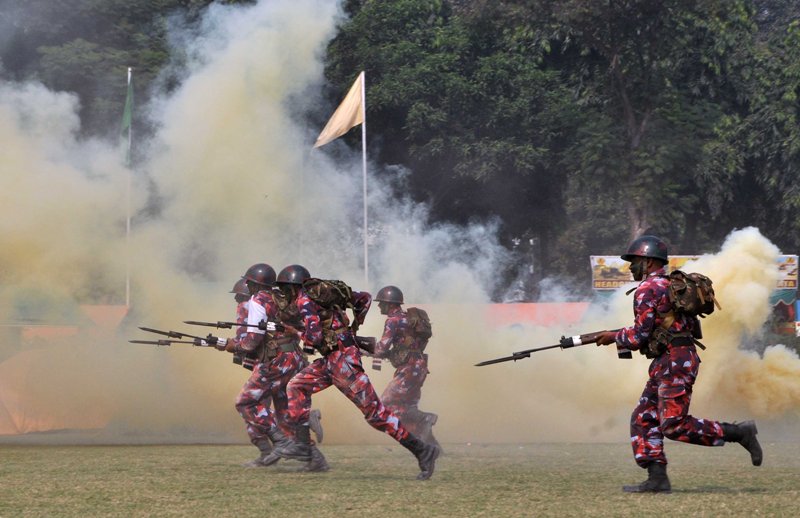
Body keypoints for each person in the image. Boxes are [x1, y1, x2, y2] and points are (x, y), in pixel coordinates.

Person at [595, 235, 763, 493]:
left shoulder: (647, 289)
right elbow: (656, 328)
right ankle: (657, 479)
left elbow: (639, 336)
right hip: (673, 360)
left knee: (673, 425)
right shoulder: (670, 285)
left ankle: (739, 433)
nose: (630, 267)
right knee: (644, 418)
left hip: (674, 361)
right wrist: (617, 335)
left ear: (649, 261)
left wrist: (612, 337)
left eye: (634, 261)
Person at [271, 277, 440, 480]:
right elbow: (365, 299)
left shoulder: (304, 300)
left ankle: (423, 450)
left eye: (283, 288)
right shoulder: (322, 298)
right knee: (296, 386)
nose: (282, 292)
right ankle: (305, 448)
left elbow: (313, 338)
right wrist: (354, 326)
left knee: (376, 415)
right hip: (333, 359)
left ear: (292, 287)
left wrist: (295, 332)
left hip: (343, 362)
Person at [227, 262, 319, 469]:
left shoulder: (258, 300)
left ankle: (280, 442)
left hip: (275, 360)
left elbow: (252, 339)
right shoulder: (281, 297)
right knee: (284, 413)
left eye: (249, 283)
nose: (247, 287)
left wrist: (235, 346)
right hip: (294, 357)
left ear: (255, 284)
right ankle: (315, 459)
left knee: (246, 402)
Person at [373, 285, 439, 449]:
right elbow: (412, 346)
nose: (379, 306)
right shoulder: (410, 319)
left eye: (381, 303)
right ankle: (433, 448)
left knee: (386, 404)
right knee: (408, 408)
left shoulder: (392, 321)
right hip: (419, 367)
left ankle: (425, 418)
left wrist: (368, 350)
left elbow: (382, 348)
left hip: (408, 369)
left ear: (390, 304)